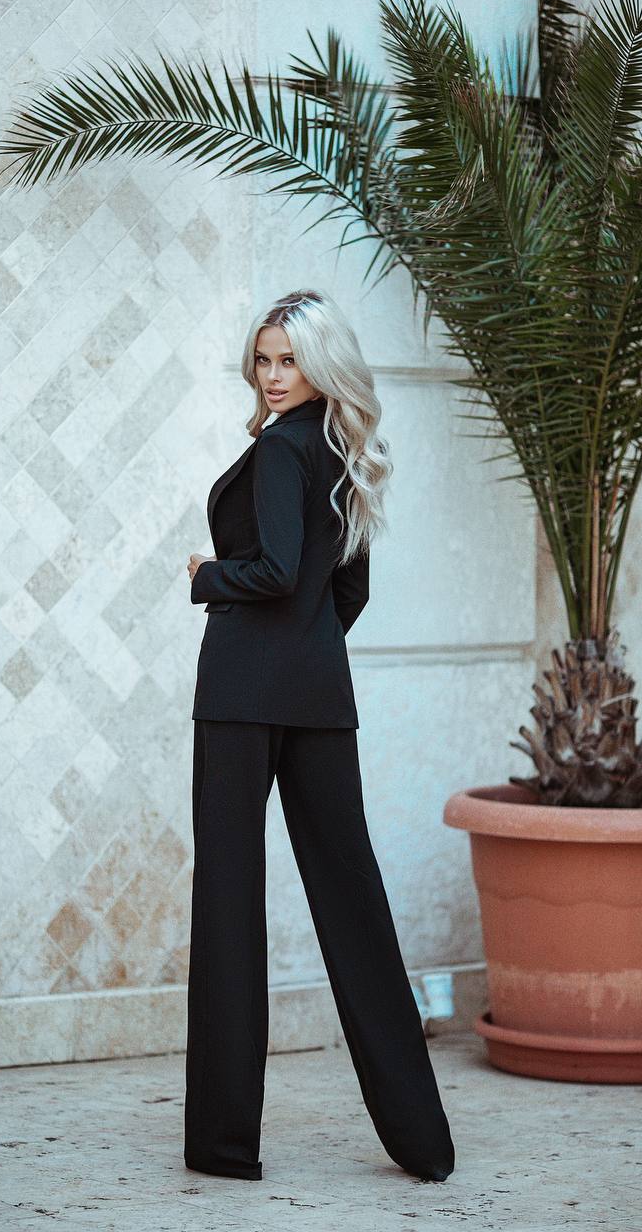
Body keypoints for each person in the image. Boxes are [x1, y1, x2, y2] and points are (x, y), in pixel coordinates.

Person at [184, 288, 455, 1182]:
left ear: (318, 363)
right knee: (354, 901)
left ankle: (226, 1146)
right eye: (261, 359)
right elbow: (346, 591)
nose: (270, 377)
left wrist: (204, 574)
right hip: (318, 696)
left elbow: (269, 570)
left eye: (287, 360)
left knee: (229, 906)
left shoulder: (278, 452)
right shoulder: (344, 452)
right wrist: (302, 652)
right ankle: (423, 1140)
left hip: (236, 695)